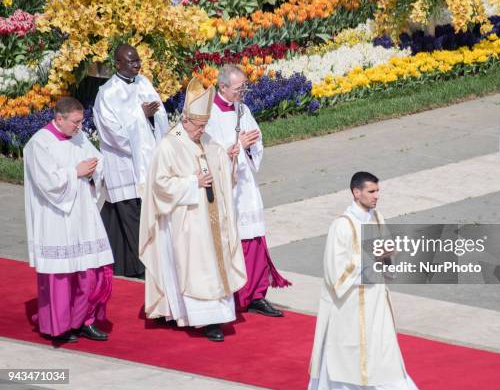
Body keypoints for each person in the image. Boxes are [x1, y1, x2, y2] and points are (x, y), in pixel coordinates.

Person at [139, 77, 247, 342]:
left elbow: (217, 161)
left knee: (213, 263)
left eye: (204, 125)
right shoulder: (169, 144)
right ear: (185, 121)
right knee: (197, 267)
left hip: (210, 218)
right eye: (198, 126)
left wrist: (227, 157)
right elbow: (159, 184)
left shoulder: (204, 138)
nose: (202, 131)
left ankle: (216, 316)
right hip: (187, 221)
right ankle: (203, 320)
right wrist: (192, 183)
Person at [308, 172, 419, 390]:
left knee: (383, 353)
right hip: (350, 307)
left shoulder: (377, 218)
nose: (377, 196)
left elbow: (386, 258)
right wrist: (371, 257)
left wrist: (388, 255)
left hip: (376, 303)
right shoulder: (341, 226)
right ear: (356, 192)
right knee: (349, 360)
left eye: (378, 191)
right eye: (371, 191)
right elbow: (334, 272)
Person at [24, 97, 113, 343]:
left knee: (89, 273)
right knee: (61, 276)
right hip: (56, 217)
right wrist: (76, 172)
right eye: (75, 122)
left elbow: (96, 160)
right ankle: (59, 326)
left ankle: (85, 320)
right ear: (59, 119)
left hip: (83, 215)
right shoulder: (39, 144)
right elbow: (47, 183)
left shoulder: (79, 136)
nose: (79, 127)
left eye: (81, 122)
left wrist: (95, 168)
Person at [205, 64, 290, 317]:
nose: (243, 92)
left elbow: (256, 139)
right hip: (226, 187)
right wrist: (237, 146)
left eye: (244, 87)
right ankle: (237, 295)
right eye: (238, 88)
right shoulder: (209, 114)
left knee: (254, 237)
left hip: (246, 185)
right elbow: (210, 152)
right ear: (222, 87)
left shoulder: (243, 109)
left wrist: (249, 147)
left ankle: (256, 293)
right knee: (234, 239)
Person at [93, 44, 169, 278]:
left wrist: (154, 117)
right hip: (124, 164)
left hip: (147, 162)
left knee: (126, 214)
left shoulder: (144, 83)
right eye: (132, 62)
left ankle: (117, 260)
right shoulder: (107, 93)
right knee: (131, 213)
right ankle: (143, 266)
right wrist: (141, 116)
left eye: (138, 61)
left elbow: (161, 117)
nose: (137, 65)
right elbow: (112, 133)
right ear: (118, 64)